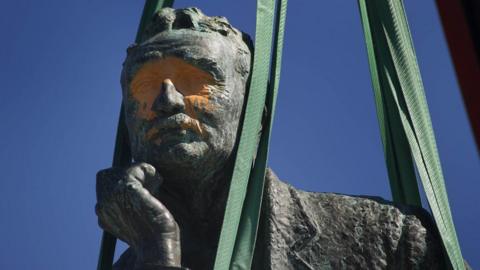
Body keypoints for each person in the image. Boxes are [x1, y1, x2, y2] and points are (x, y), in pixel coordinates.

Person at [96, 7, 446, 270]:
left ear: (255, 110)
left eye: (195, 80)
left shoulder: (388, 238)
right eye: (145, 86)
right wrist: (158, 255)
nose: (167, 100)